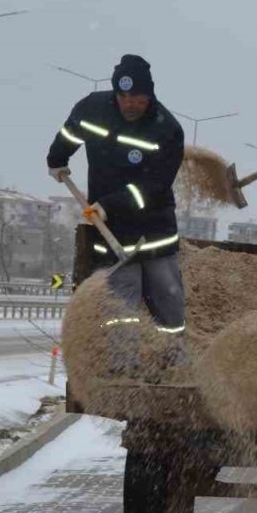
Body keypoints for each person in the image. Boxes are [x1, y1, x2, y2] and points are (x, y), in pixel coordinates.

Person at [46, 55, 187, 366]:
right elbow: (70, 134)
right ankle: (124, 368)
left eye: (137, 98)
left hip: (154, 231)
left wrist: (109, 205)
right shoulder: (92, 109)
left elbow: (153, 187)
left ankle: (173, 363)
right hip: (112, 234)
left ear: (149, 95)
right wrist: (57, 159)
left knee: (168, 298)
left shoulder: (167, 130)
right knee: (122, 301)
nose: (129, 104)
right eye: (123, 96)